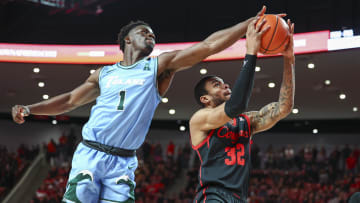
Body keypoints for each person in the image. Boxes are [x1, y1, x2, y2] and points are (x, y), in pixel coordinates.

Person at [11, 6, 275, 203]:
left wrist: (247, 25)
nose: (151, 36)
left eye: (153, 34)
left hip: (123, 162)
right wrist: (31, 109)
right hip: (90, 154)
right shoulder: (104, 74)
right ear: (127, 40)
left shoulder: (158, 67)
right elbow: (69, 100)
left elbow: (207, 46)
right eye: (143, 32)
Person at [189, 18, 295, 202]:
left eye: (223, 83)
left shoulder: (246, 122)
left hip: (239, 197)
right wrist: (251, 52)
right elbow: (236, 105)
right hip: (213, 195)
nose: (225, 85)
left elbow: (284, 107)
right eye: (217, 85)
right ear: (205, 99)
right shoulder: (200, 120)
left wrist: (289, 61)